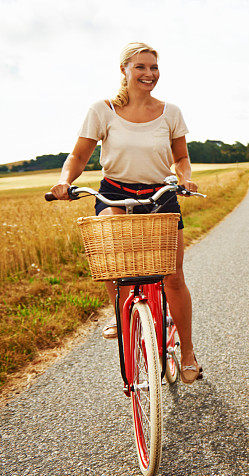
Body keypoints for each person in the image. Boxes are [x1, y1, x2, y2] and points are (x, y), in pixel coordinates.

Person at [49, 42, 202, 384]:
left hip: (159, 193)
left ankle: (188, 351)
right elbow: (78, 157)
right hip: (115, 192)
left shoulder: (170, 112)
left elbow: (181, 158)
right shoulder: (102, 110)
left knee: (173, 276)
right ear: (124, 70)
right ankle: (121, 313)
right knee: (112, 260)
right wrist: (63, 181)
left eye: (154, 68)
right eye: (141, 67)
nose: (149, 74)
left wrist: (185, 178)